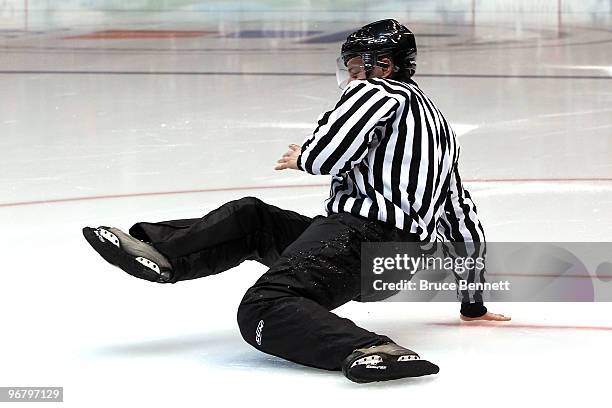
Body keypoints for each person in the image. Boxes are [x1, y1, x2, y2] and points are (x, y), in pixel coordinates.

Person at [82, 19, 510, 384]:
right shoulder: (436, 126)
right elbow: (462, 221)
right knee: (252, 218)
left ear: (386, 66)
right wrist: (472, 303)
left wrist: (304, 156)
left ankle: (366, 348)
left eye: (362, 63)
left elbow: (330, 153)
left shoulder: (378, 93)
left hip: (359, 237)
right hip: (393, 262)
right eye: (353, 65)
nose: (354, 73)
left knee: (264, 307)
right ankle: (161, 252)